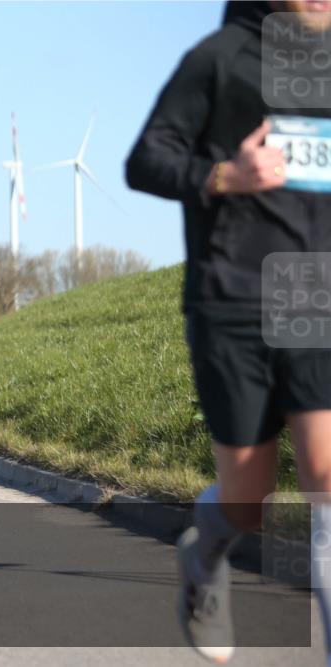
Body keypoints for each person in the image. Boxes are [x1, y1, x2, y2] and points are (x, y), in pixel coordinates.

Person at [126, 2, 331, 663]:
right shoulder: (217, 58)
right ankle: (206, 554)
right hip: (233, 299)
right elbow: (145, 161)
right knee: (248, 501)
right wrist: (225, 175)